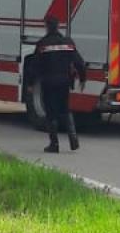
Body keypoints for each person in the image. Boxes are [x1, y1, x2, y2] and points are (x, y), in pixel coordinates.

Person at [30, 15, 86, 152]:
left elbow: (34, 67)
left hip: (48, 83)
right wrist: (83, 78)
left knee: (51, 112)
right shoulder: (67, 43)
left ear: (47, 27)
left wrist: (30, 84)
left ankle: (54, 145)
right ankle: (73, 140)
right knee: (65, 109)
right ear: (58, 26)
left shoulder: (42, 44)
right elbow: (79, 62)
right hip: (64, 82)